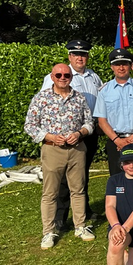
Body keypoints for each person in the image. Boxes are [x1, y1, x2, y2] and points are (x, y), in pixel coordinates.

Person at [24, 63, 95, 249]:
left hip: (77, 149)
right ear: (52, 77)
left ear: (71, 77)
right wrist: (50, 136)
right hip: (52, 149)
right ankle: (48, 231)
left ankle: (80, 226)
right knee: (50, 193)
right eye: (59, 75)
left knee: (78, 189)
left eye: (67, 75)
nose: (63, 78)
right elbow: (30, 125)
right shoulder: (41, 98)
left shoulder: (79, 98)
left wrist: (80, 133)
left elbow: (90, 122)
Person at [40, 39, 102, 227]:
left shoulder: (94, 77)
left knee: (81, 175)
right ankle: (60, 216)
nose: (80, 58)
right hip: (62, 136)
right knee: (61, 179)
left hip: (87, 132)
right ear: (69, 56)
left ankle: (84, 211)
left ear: (87, 56)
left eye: (83, 54)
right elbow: (45, 104)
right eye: (76, 54)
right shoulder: (59, 74)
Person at [94, 49, 133, 175]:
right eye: (117, 64)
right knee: (117, 178)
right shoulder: (104, 90)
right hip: (115, 141)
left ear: (130, 66)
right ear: (112, 67)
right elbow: (102, 120)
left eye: (124, 64)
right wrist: (117, 140)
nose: (121, 68)